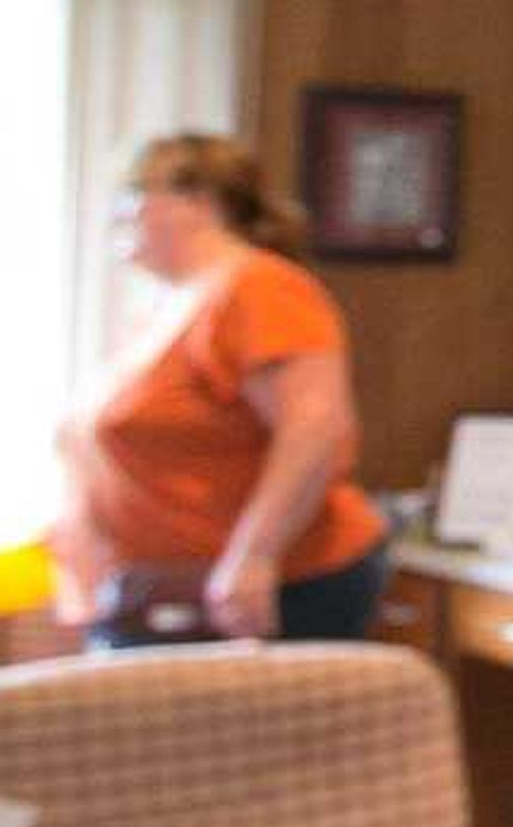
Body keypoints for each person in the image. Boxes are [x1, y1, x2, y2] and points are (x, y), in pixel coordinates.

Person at [58, 133, 387, 647]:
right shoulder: (165, 308)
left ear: (197, 204)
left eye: (133, 197)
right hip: (160, 595)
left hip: (266, 590)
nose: (116, 218)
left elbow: (316, 428)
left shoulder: (258, 287)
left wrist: (253, 557)